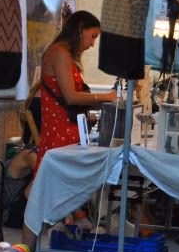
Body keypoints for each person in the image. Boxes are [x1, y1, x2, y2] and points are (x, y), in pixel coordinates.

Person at [36, 10, 118, 171]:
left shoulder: (63, 53)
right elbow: (71, 97)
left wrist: (97, 102)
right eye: (93, 36)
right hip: (61, 133)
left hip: (66, 131)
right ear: (80, 29)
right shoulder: (59, 53)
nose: (92, 44)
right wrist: (107, 96)